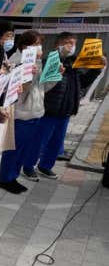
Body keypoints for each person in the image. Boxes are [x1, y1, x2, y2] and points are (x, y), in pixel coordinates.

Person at [25, 32, 106, 179]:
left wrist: (96, 68)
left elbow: (83, 83)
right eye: (68, 42)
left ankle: (45, 166)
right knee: (39, 141)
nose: (71, 46)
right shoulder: (48, 60)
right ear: (58, 44)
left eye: (74, 43)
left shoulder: (74, 64)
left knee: (56, 144)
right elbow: (44, 85)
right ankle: (28, 166)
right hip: (48, 110)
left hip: (66, 111)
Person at [0, 30, 52, 193]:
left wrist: (54, 76)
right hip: (20, 114)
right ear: (24, 46)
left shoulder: (38, 62)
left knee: (23, 149)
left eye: (39, 44)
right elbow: (17, 92)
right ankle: (6, 178)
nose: (38, 47)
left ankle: (13, 176)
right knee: (13, 148)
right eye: (34, 44)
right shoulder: (15, 62)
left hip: (35, 112)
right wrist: (28, 75)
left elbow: (43, 88)